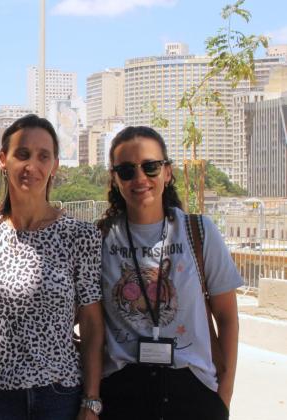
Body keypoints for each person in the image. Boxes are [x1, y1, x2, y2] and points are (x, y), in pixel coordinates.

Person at [97, 126, 241, 420]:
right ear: (114, 179)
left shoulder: (199, 232)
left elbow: (227, 318)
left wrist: (222, 396)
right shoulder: (100, 239)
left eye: (150, 167)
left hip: (193, 391)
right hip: (122, 394)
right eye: (126, 170)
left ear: (167, 172)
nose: (140, 178)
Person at [0, 114, 104, 420]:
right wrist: (0, 323)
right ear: (3, 160)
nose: (32, 166)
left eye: (44, 156)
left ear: (55, 165)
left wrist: (91, 400)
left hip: (59, 393)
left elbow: (93, 325)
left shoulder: (80, 236)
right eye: (23, 154)